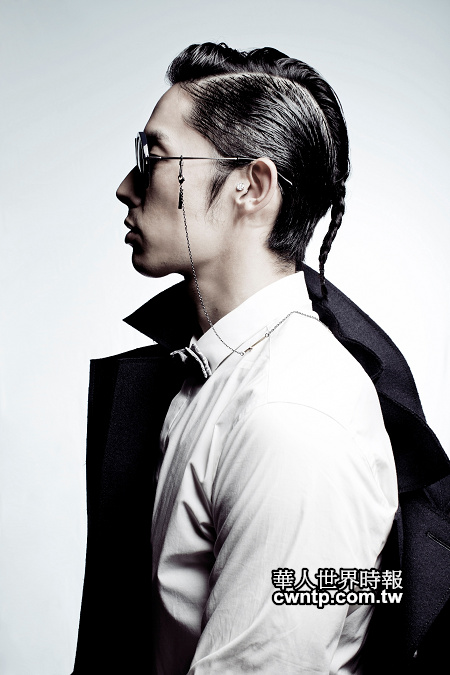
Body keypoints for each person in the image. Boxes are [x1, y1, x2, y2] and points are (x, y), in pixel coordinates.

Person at [71, 43, 450, 675]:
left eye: (153, 158)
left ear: (251, 186)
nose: (125, 186)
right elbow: (340, 592)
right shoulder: (213, 377)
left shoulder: (291, 411)